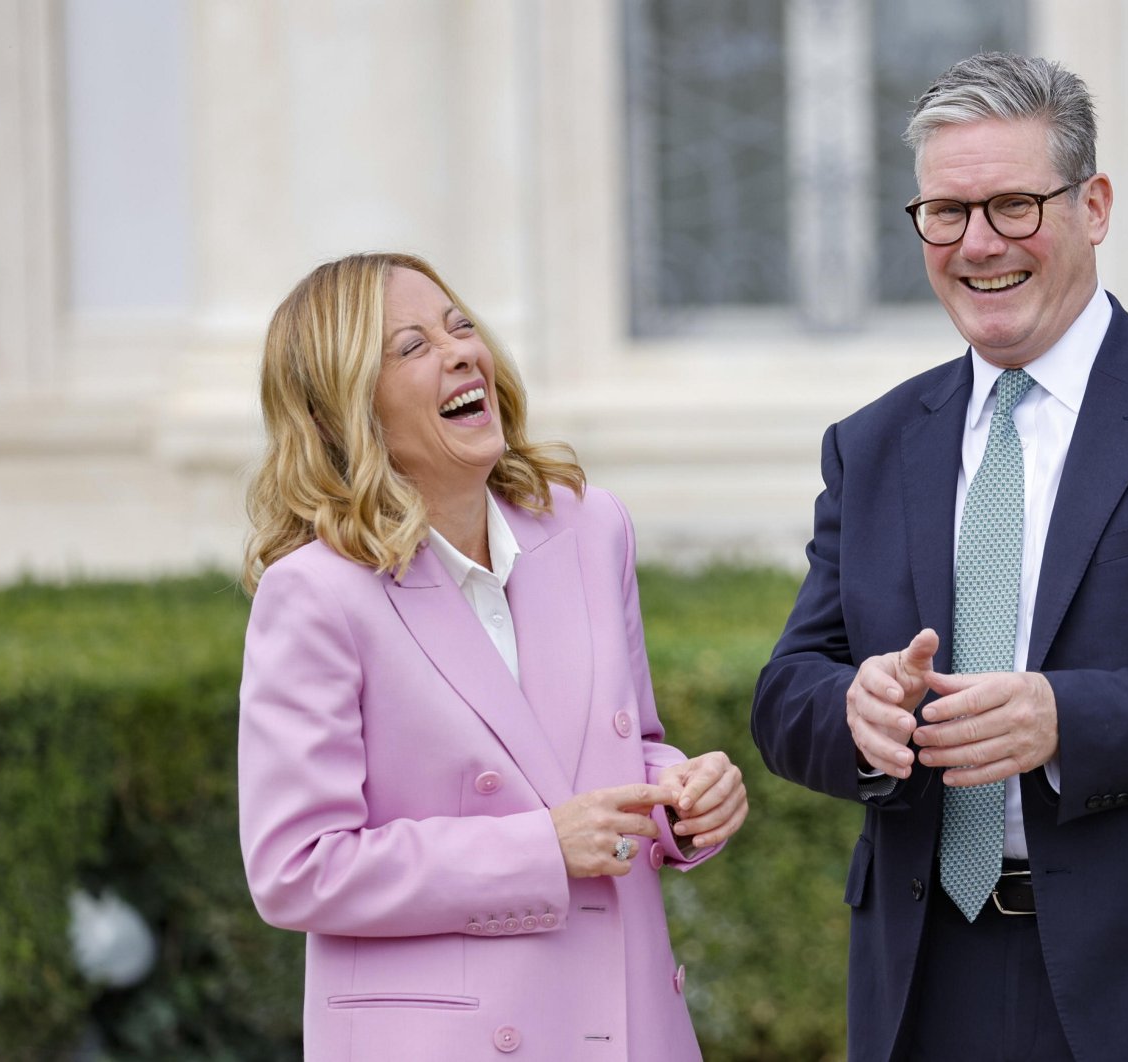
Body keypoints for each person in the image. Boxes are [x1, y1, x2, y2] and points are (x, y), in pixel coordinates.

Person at [751, 53, 1128, 1062]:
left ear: (1094, 205)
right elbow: (786, 694)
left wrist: (1064, 718)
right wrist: (854, 713)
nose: (978, 244)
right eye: (946, 212)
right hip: (929, 980)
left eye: (1014, 206)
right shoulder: (872, 442)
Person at [238, 252, 747, 1061]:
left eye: (460, 325)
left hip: (627, 1025)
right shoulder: (316, 594)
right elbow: (297, 867)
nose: (461, 352)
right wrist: (539, 849)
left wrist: (681, 795)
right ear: (346, 410)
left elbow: (624, 749)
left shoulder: (589, 528)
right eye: (410, 347)